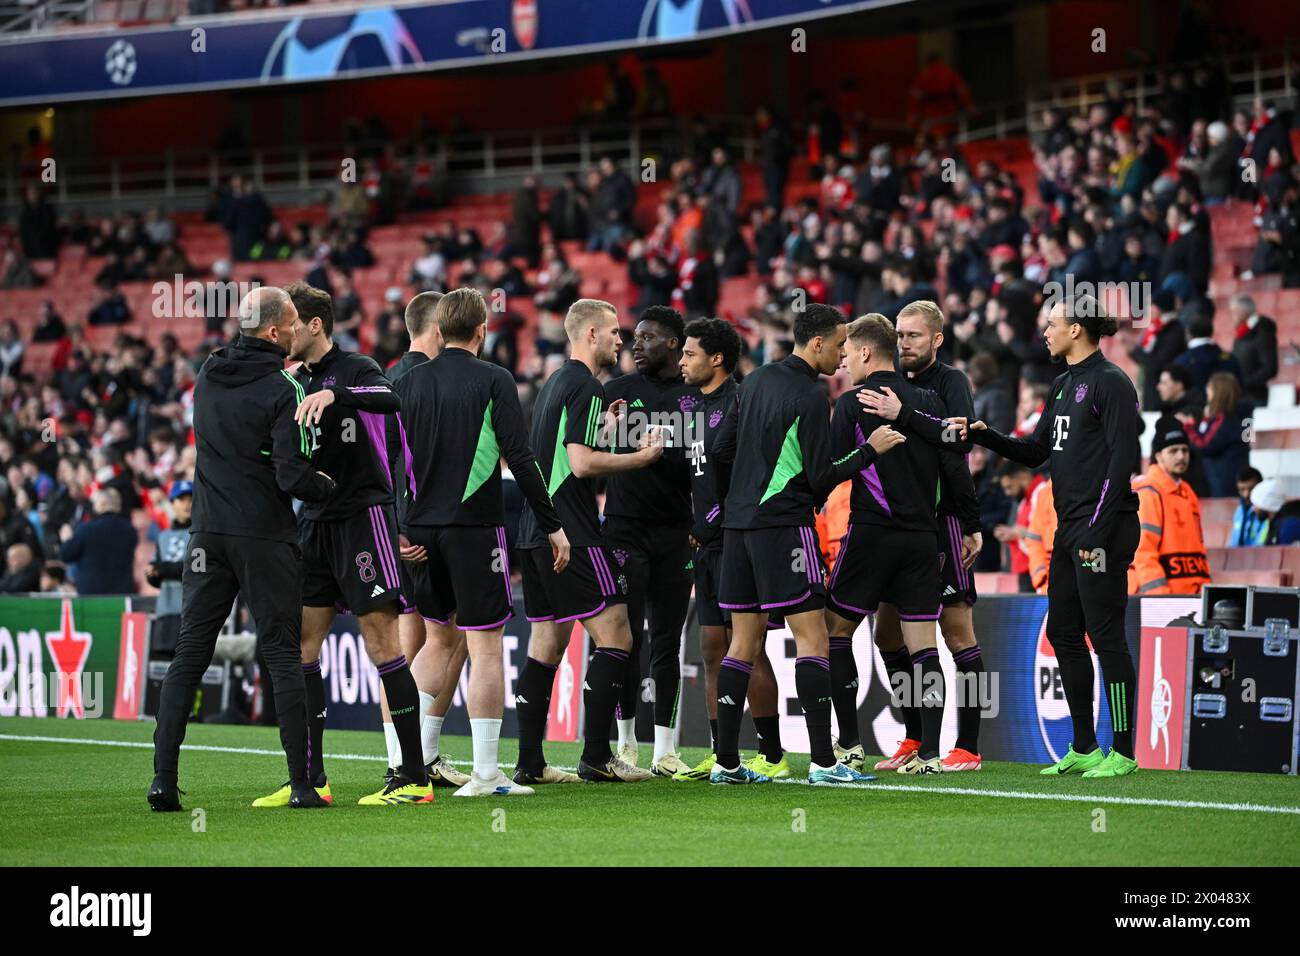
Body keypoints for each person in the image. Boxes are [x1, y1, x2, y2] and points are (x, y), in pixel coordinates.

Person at [149, 286, 337, 813]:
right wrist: (328, 486)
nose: (301, 328)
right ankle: (301, 783)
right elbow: (291, 473)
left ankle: (163, 780)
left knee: (189, 652)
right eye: (294, 322)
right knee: (281, 652)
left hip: (207, 534)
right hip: (265, 537)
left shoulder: (207, 373)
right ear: (275, 332)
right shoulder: (285, 389)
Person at [252, 281, 432, 808]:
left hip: (362, 517)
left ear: (314, 325)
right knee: (303, 648)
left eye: (289, 324)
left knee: (383, 646)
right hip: (314, 523)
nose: (281, 334)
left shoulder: (356, 368)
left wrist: (336, 394)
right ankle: (311, 778)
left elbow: (390, 398)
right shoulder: (288, 379)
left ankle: (415, 778)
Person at [952, 295, 1142, 779]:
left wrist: (1095, 531)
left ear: (1077, 328)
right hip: (1068, 530)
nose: (1045, 332)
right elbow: (1037, 450)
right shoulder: (1061, 385)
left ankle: (1122, 751)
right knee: (1062, 632)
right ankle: (1084, 746)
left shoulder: (1112, 383)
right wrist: (984, 435)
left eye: (1051, 324)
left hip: (1102, 529)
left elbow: (1123, 463)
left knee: (1105, 635)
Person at [395, 288, 571, 796]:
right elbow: (522, 456)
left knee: (435, 639)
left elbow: (391, 464)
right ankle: (487, 774)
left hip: (421, 531)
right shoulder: (494, 379)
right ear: (480, 331)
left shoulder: (410, 381)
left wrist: (398, 525)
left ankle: (407, 762)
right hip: (474, 528)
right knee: (486, 647)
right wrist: (551, 523)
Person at [709, 303, 882, 785]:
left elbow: (721, 449)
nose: (845, 352)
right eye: (842, 343)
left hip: (738, 528)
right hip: (784, 526)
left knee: (741, 643)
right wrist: (870, 451)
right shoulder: (810, 395)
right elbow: (821, 479)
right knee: (814, 639)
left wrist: (737, 498)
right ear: (819, 343)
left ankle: (726, 763)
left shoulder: (756, 380)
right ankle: (825, 763)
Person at [512, 299, 662, 785]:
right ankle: (598, 755)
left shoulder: (557, 381)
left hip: (535, 533)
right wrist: (641, 458)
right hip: (572, 533)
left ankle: (530, 762)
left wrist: (606, 428)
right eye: (615, 332)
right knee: (618, 635)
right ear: (591, 334)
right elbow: (580, 464)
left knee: (546, 643)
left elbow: (561, 449)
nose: (622, 341)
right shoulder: (585, 384)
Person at [827, 314, 977, 775]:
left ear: (866, 352)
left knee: (835, 634)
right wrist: (971, 522)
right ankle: (929, 752)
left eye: (848, 352)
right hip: (922, 538)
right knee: (921, 644)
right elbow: (955, 457)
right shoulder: (929, 399)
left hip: (871, 534)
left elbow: (833, 464)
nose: (843, 361)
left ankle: (849, 745)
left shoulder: (853, 402)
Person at [673, 317, 787, 781]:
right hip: (706, 545)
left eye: (690, 353)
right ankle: (724, 754)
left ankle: (773, 754)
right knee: (711, 646)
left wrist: (710, 522)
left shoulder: (741, 402)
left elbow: (747, 480)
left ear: (717, 358)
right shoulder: (689, 407)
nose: (682, 361)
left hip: (738, 541)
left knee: (750, 648)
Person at [599, 306, 696, 775]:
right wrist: (608, 433)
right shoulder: (615, 393)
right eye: (634, 337)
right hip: (623, 528)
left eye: (648, 337)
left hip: (677, 532)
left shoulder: (696, 398)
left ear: (675, 345)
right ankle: (625, 743)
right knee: (625, 638)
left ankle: (665, 750)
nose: (635, 344)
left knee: (667, 640)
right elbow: (584, 453)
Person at [383, 291, 471, 789]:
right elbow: (392, 462)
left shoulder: (390, 376)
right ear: (440, 327)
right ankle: (419, 755)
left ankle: (402, 755)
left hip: (398, 530)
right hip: (416, 531)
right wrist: (399, 525)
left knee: (404, 647)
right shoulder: (419, 381)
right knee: (446, 638)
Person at [1129, 417, 1210, 596]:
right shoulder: (1148, 491)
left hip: (1189, 597)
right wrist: (1160, 598)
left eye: (1184, 450)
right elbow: (1143, 552)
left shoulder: (1188, 492)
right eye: (1173, 451)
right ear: (1158, 456)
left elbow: (1199, 550)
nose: (1181, 456)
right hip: (1158, 599)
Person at [1182, 372, 1252, 499]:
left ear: (1218, 392)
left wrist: (1188, 427)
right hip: (1238, 471)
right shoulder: (1244, 415)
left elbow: (1204, 446)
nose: (1207, 392)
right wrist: (1207, 419)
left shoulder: (1224, 418)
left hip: (1222, 477)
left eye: (1210, 389)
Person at [58, 488, 137, 596]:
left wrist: (66, 539)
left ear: (102, 504)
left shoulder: (87, 529)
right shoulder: (130, 530)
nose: (92, 506)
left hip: (91, 595)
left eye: (95, 503)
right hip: (122, 594)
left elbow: (66, 555)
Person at [1227, 294, 1278, 405]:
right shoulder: (1242, 334)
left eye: (1234, 312)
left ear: (1244, 312)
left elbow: (1270, 368)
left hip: (1255, 398)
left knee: (1248, 423)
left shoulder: (1263, 333)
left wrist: (1245, 382)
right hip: (1241, 396)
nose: (1231, 316)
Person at [1229, 467, 1268, 546]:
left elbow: (1261, 546)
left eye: (1251, 489)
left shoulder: (1266, 511)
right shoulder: (1239, 511)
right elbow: (1233, 544)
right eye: (1242, 489)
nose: (1246, 494)